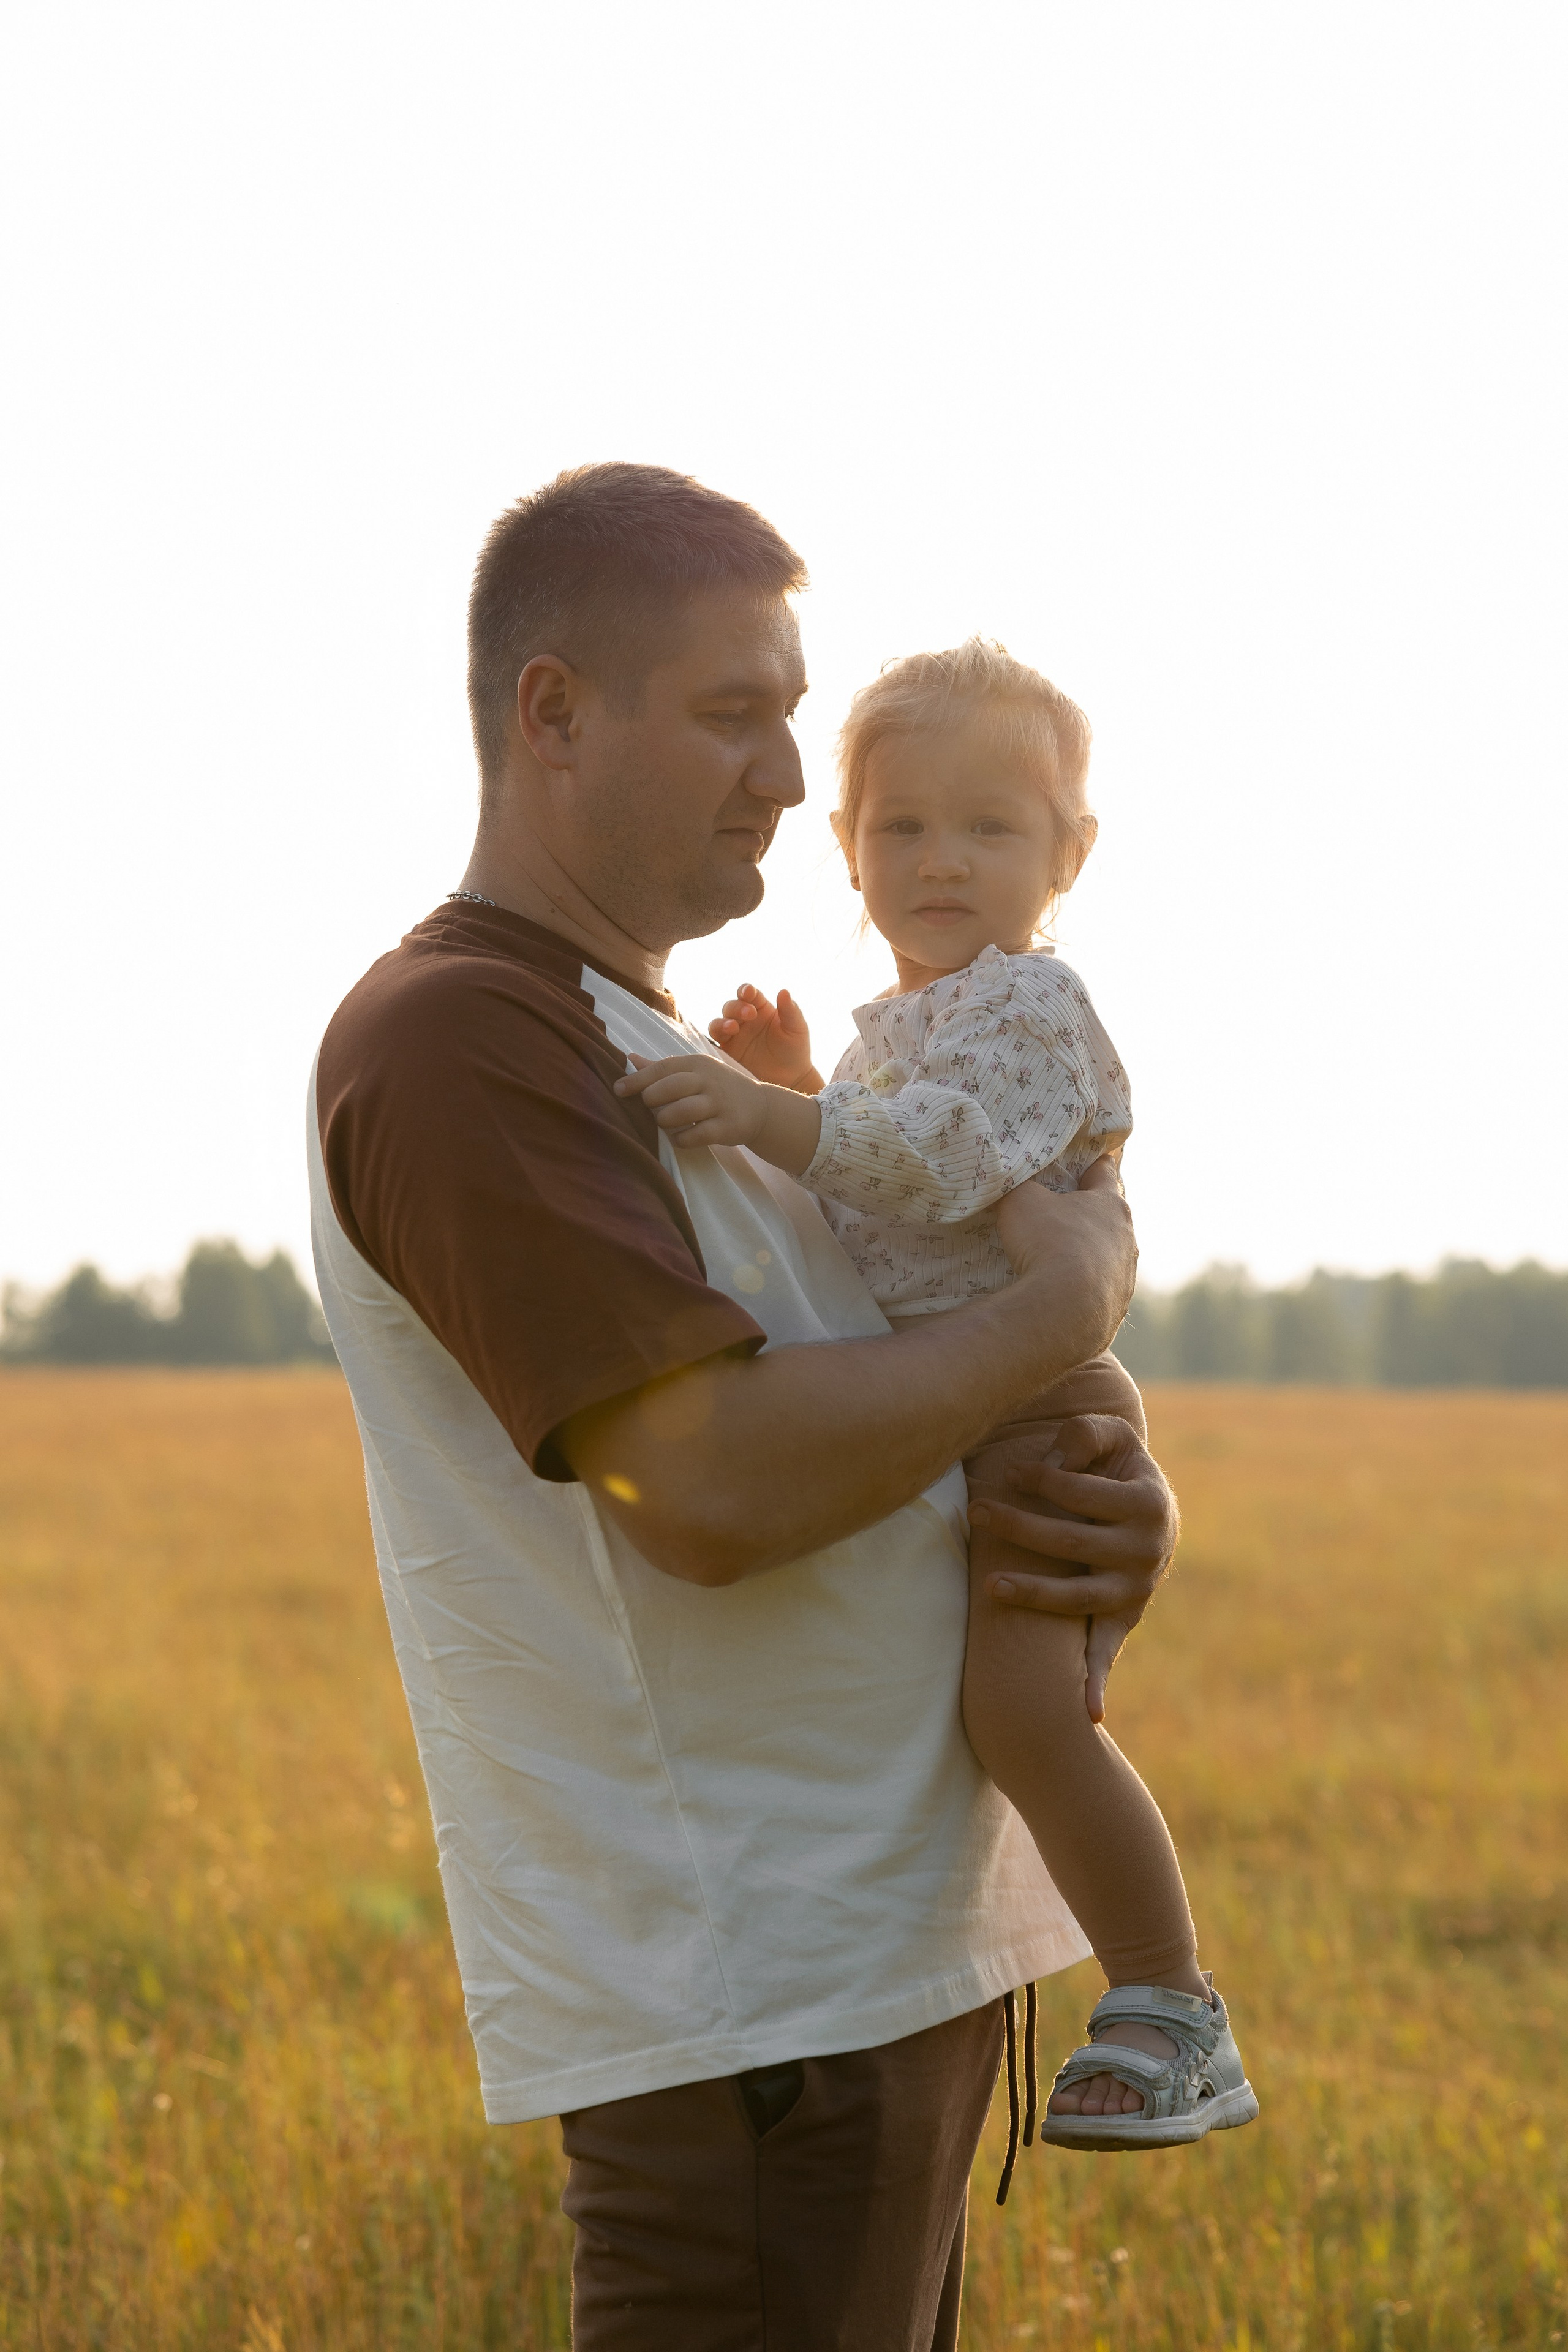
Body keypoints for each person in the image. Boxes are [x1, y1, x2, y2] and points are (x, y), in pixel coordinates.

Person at [309, 462, 1180, 2351]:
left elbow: (889, 1386)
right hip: (752, 2026)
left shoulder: (670, 1055)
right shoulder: (465, 1037)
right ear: (553, 714)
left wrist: (1101, 1501)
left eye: (792, 719)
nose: (792, 778)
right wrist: (1064, 1313)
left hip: (868, 1991)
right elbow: (704, 1489)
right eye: (732, 714)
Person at [619, 638, 1257, 2152]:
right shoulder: (899, 1031)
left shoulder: (1027, 1007)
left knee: (1023, 1713)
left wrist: (782, 1118)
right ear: (844, 847)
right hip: (969, 1402)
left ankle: (1172, 2004)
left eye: (989, 828)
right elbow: (879, 1215)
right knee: (986, 1707)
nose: (940, 860)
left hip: (1038, 1415)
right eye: (900, 826)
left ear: (1068, 856)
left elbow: (945, 1160)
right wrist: (809, 1087)